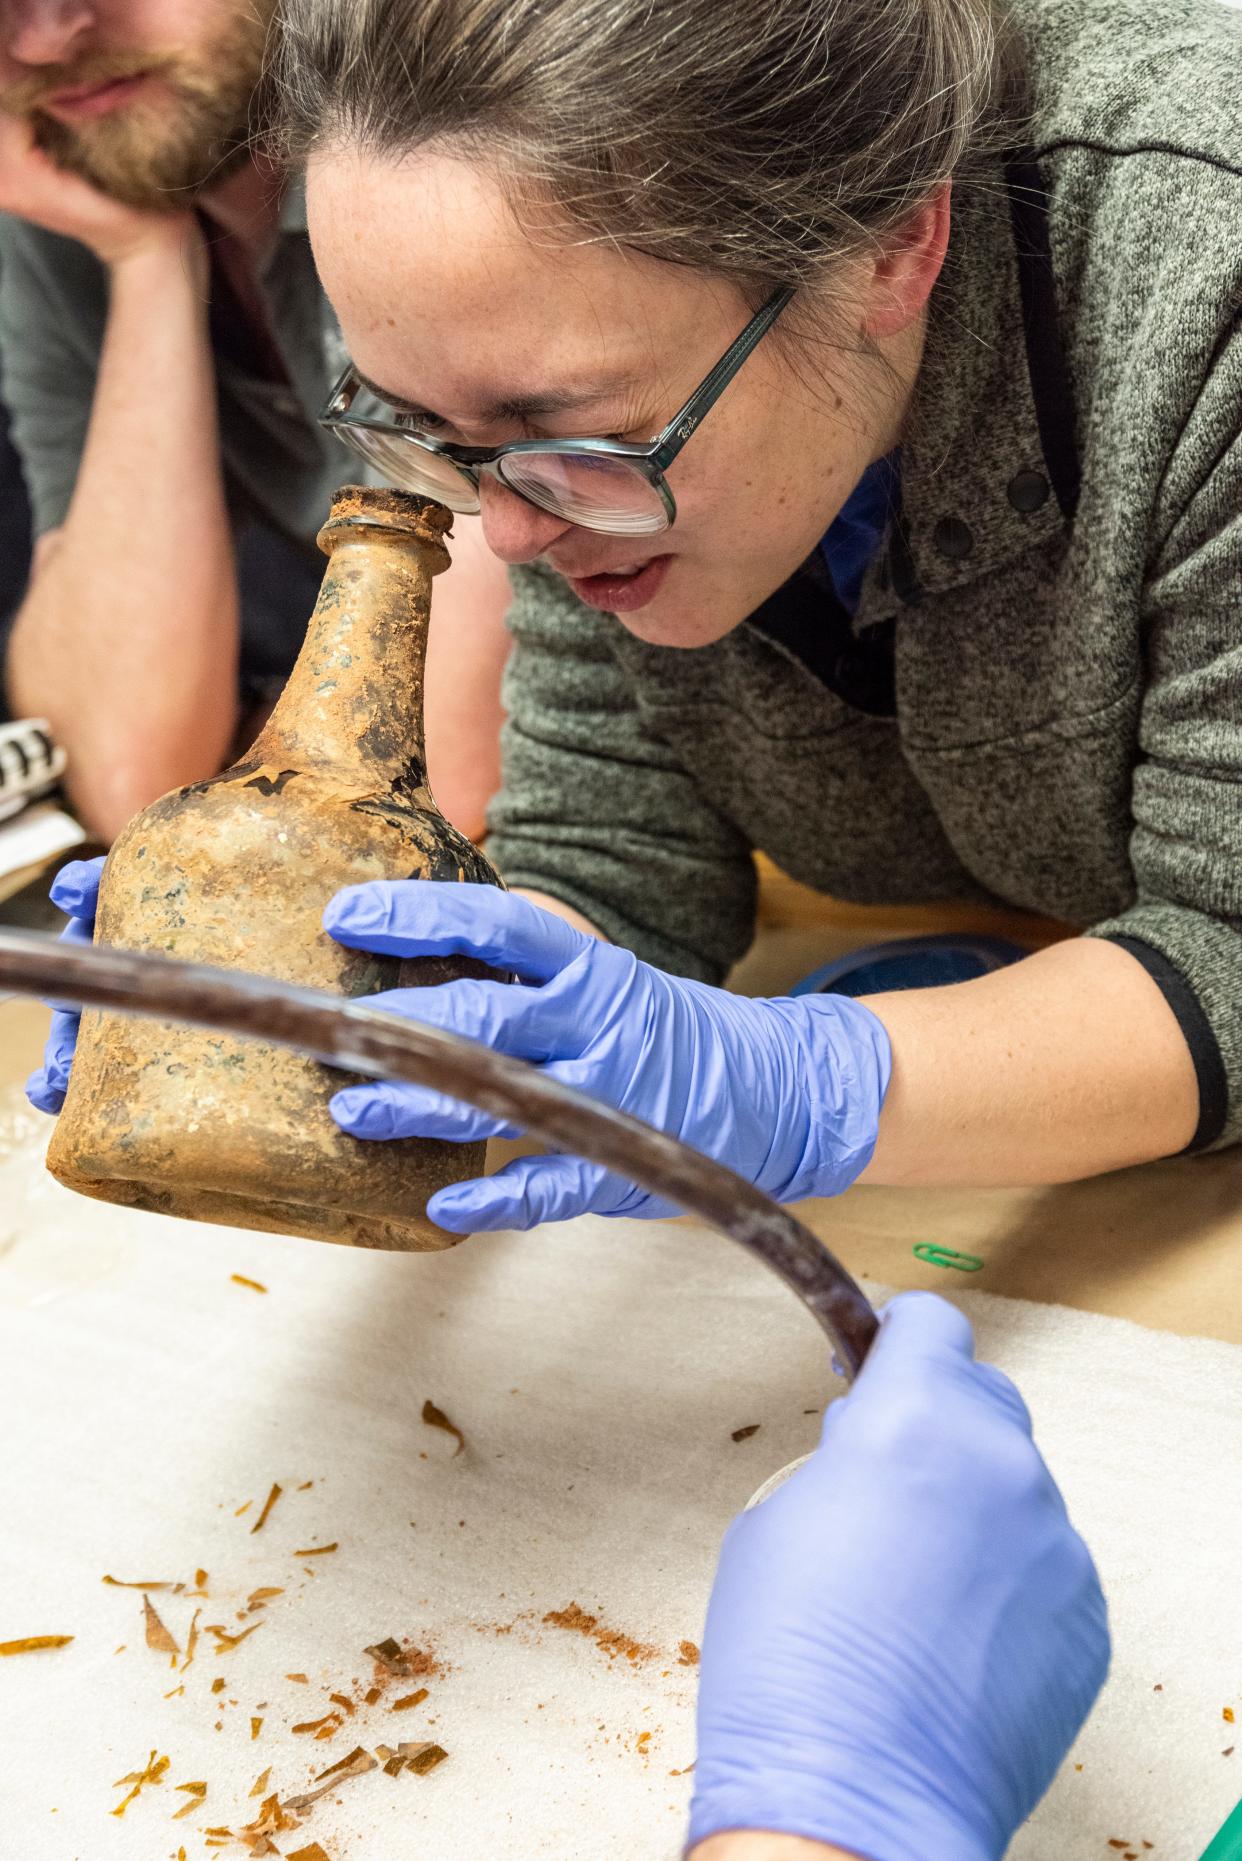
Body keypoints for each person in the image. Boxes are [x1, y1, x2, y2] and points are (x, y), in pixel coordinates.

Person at [0, 0, 511, 839]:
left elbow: (441, 777)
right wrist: (144, 257)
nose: (45, 37)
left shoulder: (440, 124)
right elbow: (126, 769)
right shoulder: (83, 190)